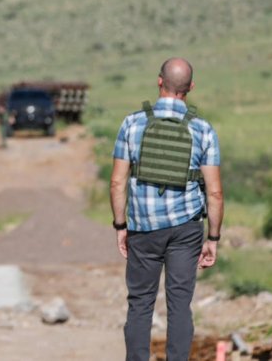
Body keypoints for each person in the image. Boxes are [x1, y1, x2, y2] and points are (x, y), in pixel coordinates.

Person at [109, 58, 223, 361]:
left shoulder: (132, 123)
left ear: (160, 81)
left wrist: (121, 227)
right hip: (186, 230)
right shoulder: (203, 130)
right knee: (179, 304)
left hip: (143, 229)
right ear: (191, 88)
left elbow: (117, 183)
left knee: (140, 304)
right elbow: (214, 191)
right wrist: (213, 238)